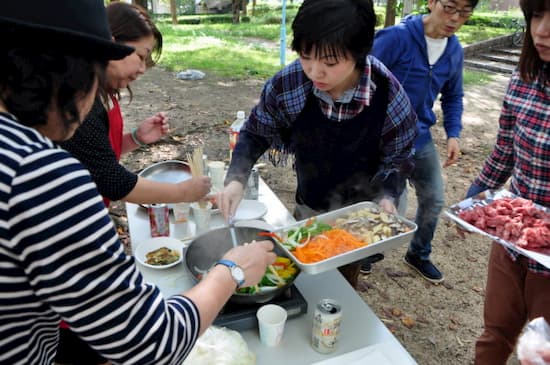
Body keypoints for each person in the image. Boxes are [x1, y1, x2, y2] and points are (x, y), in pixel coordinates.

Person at [0, 1, 275, 364]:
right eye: (96, 73)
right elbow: (149, 342)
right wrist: (231, 270)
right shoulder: (36, 174)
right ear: (68, 71)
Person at [217, 0, 417, 288]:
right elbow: (256, 131)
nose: (314, 72)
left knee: (343, 282)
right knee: (303, 273)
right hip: (310, 200)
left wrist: (387, 195)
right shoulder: (289, 83)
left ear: (359, 53)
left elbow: (400, 156)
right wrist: (236, 179)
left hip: (357, 215)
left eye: (330, 62)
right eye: (306, 56)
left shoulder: (387, 93)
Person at [366, 0, 479, 283]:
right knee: (384, 200)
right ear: (431, 2)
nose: (455, 18)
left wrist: (453, 133)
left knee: (434, 199)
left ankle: (418, 253)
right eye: (449, 7)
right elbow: (361, 79)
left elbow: (453, 95)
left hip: (421, 137)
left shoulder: (453, 50)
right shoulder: (395, 38)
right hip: (385, 139)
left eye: (464, 13)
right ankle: (365, 253)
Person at [59, 2, 210, 208]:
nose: (142, 69)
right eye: (140, 56)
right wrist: (182, 192)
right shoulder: (79, 98)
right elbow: (112, 180)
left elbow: (94, 154)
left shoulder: (104, 94)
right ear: (111, 44)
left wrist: (136, 138)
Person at [465, 0, 550, 363]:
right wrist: (473, 199)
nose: (542, 30)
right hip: (513, 239)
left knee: (540, 349)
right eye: (536, 15)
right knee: (495, 331)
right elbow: (504, 152)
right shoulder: (524, 78)